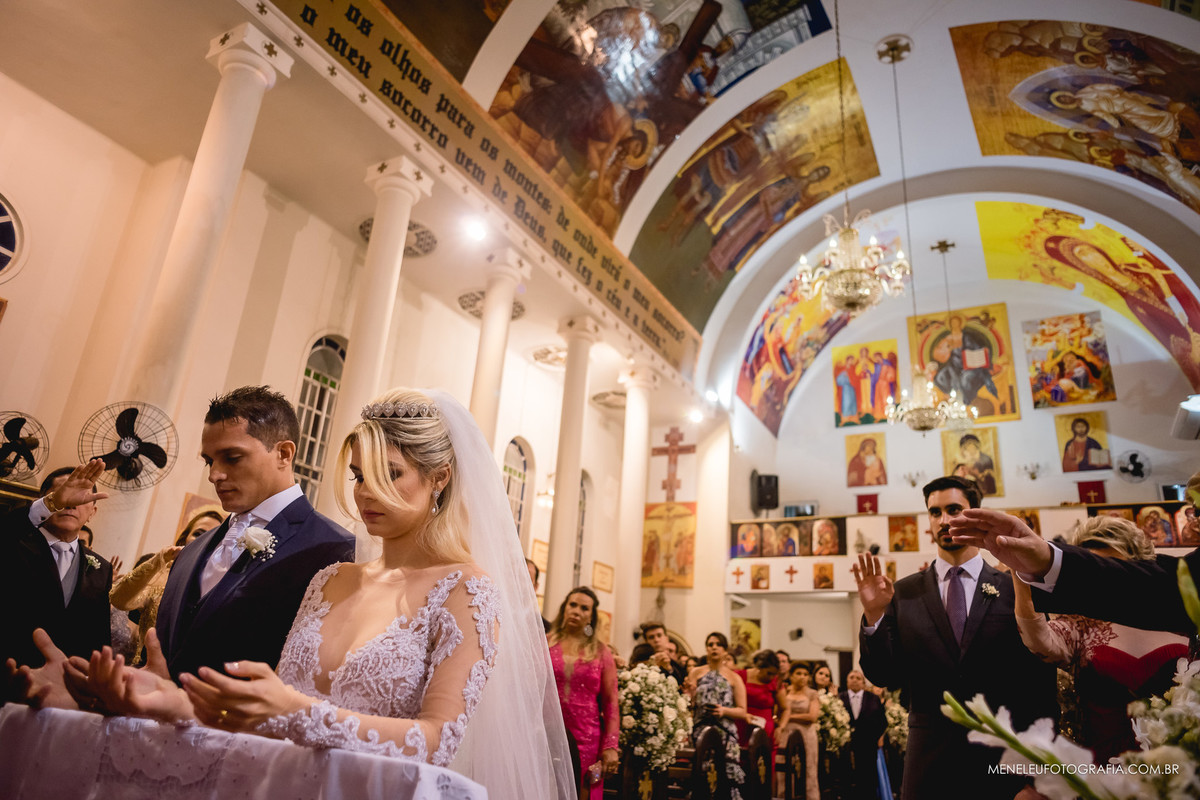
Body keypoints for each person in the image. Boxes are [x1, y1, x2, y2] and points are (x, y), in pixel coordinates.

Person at [55, 388, 574, 797]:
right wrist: (168, 703)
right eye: (357, 476)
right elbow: (267, 718)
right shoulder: (333, 579)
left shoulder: (466, 589)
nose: (366, 492)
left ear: (439, 477)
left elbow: (436, 741)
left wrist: (295, 711)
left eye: (387, 474)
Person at [854, 475, 1057, 800]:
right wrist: (875, 615)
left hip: (1004, 760)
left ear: (975, 514)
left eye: (954, 509)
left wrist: (1039, 777)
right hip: (929, 762)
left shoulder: (1013, 588)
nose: (944, 520)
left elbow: (1039, 688)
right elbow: (884, 675)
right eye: (935, 512)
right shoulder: (903, 593)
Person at [154, 386, 356, 680]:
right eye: (210, 461)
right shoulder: (192, 552)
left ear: (284, 454)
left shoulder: (332, 550)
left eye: (232, 458)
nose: (214, 475)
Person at [1011, 516, 1188, 763]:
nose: (1102, 580)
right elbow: (1037, 639)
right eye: (1092, 568)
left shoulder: (1177, 613)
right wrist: (1020, 571)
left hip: (1183, 761)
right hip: (1108, 765)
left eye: (1112, 566)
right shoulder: (1080, 624)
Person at [2, 462, 113, 689]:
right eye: (62, 494)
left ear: (92, 511)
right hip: (11, 677)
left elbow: (98, 636)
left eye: (81, 497)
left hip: (67, 689)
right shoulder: (12, 542)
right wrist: (52, 503)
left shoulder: (102, 568)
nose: (71, 503)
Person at [110, 510, 224, 664]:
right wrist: (158, 561)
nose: (204, 541)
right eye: (198, 534)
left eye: (213, 538)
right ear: (184, 538)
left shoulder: (221, 584)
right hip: (146, 670)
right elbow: (118, 599)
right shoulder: (161, 574)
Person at [548, 586, 619, 798]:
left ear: (591, 616)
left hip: (587, 739)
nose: (577, 611)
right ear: (564, 608)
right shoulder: (545, 642)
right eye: (573, 605)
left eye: (584, 608)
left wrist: (611, 746)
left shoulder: (600, 651)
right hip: (547, 731)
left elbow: (611, 702)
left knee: (584, 791)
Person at [686, 631, 747, 799]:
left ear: (725, 650)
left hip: (725, 731)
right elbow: (688, 704)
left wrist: (724, 710)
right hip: (700, 728)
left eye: (718, 644)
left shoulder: (734, 677)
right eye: (710, 644)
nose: (714, 648)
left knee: (726, 778)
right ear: (706, 648)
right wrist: (689, 694)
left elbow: (743, 710)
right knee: (701, 776)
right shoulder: (696, 672)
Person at [735, 649, 783, 783]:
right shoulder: (741, 676)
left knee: (765, 770)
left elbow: (785, 708)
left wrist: (780, 727)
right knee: (742, 765)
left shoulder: (775, 682)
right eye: (769, 673)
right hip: (743, 727)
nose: (771, 677)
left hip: (766, 732)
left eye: (774, 674)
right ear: (759, 667)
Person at [838, 669, 886, 800]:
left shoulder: (873, 698)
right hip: (845, 746)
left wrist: (874, 738)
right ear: (847, 681)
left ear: (863, 683)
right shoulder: (838, 698)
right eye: (851, 677)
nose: (854, 680)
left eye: (858, 678)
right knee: (845, 777)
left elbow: (882, 721)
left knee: (868, 778)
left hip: (868, 746)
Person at [776, 662, 819, 800]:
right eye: (798, 674)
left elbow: (812, 716)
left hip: (806, 735)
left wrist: (789, 716)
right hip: (786, 734)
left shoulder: (812, 694)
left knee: (808, 769)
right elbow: (777, 713)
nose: (802, 677)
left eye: (806, 674)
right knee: (784, 770)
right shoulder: (785, 691)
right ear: (791, 675)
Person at [641, 620, 688, 684]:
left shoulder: (676, 664)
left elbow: (681, 683)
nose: (656, 640)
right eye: (651, 637)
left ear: (666, 638)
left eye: (659, 635)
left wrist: (669, 669)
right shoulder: (641, 661)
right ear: (646, 641)